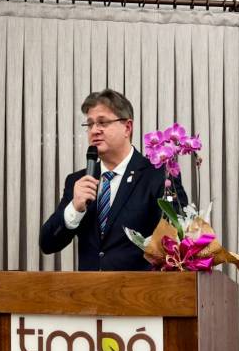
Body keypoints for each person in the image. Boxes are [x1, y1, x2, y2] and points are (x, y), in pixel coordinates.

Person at [39, 89, 188, 271]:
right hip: (88, 288)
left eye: (102, 122)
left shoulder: (159, 175)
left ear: (127, 127)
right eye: (90, 124)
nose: (94, 130)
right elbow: (47, 244)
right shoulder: (78, 181)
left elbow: (178, 237)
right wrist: (74, 209)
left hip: (141, 288)